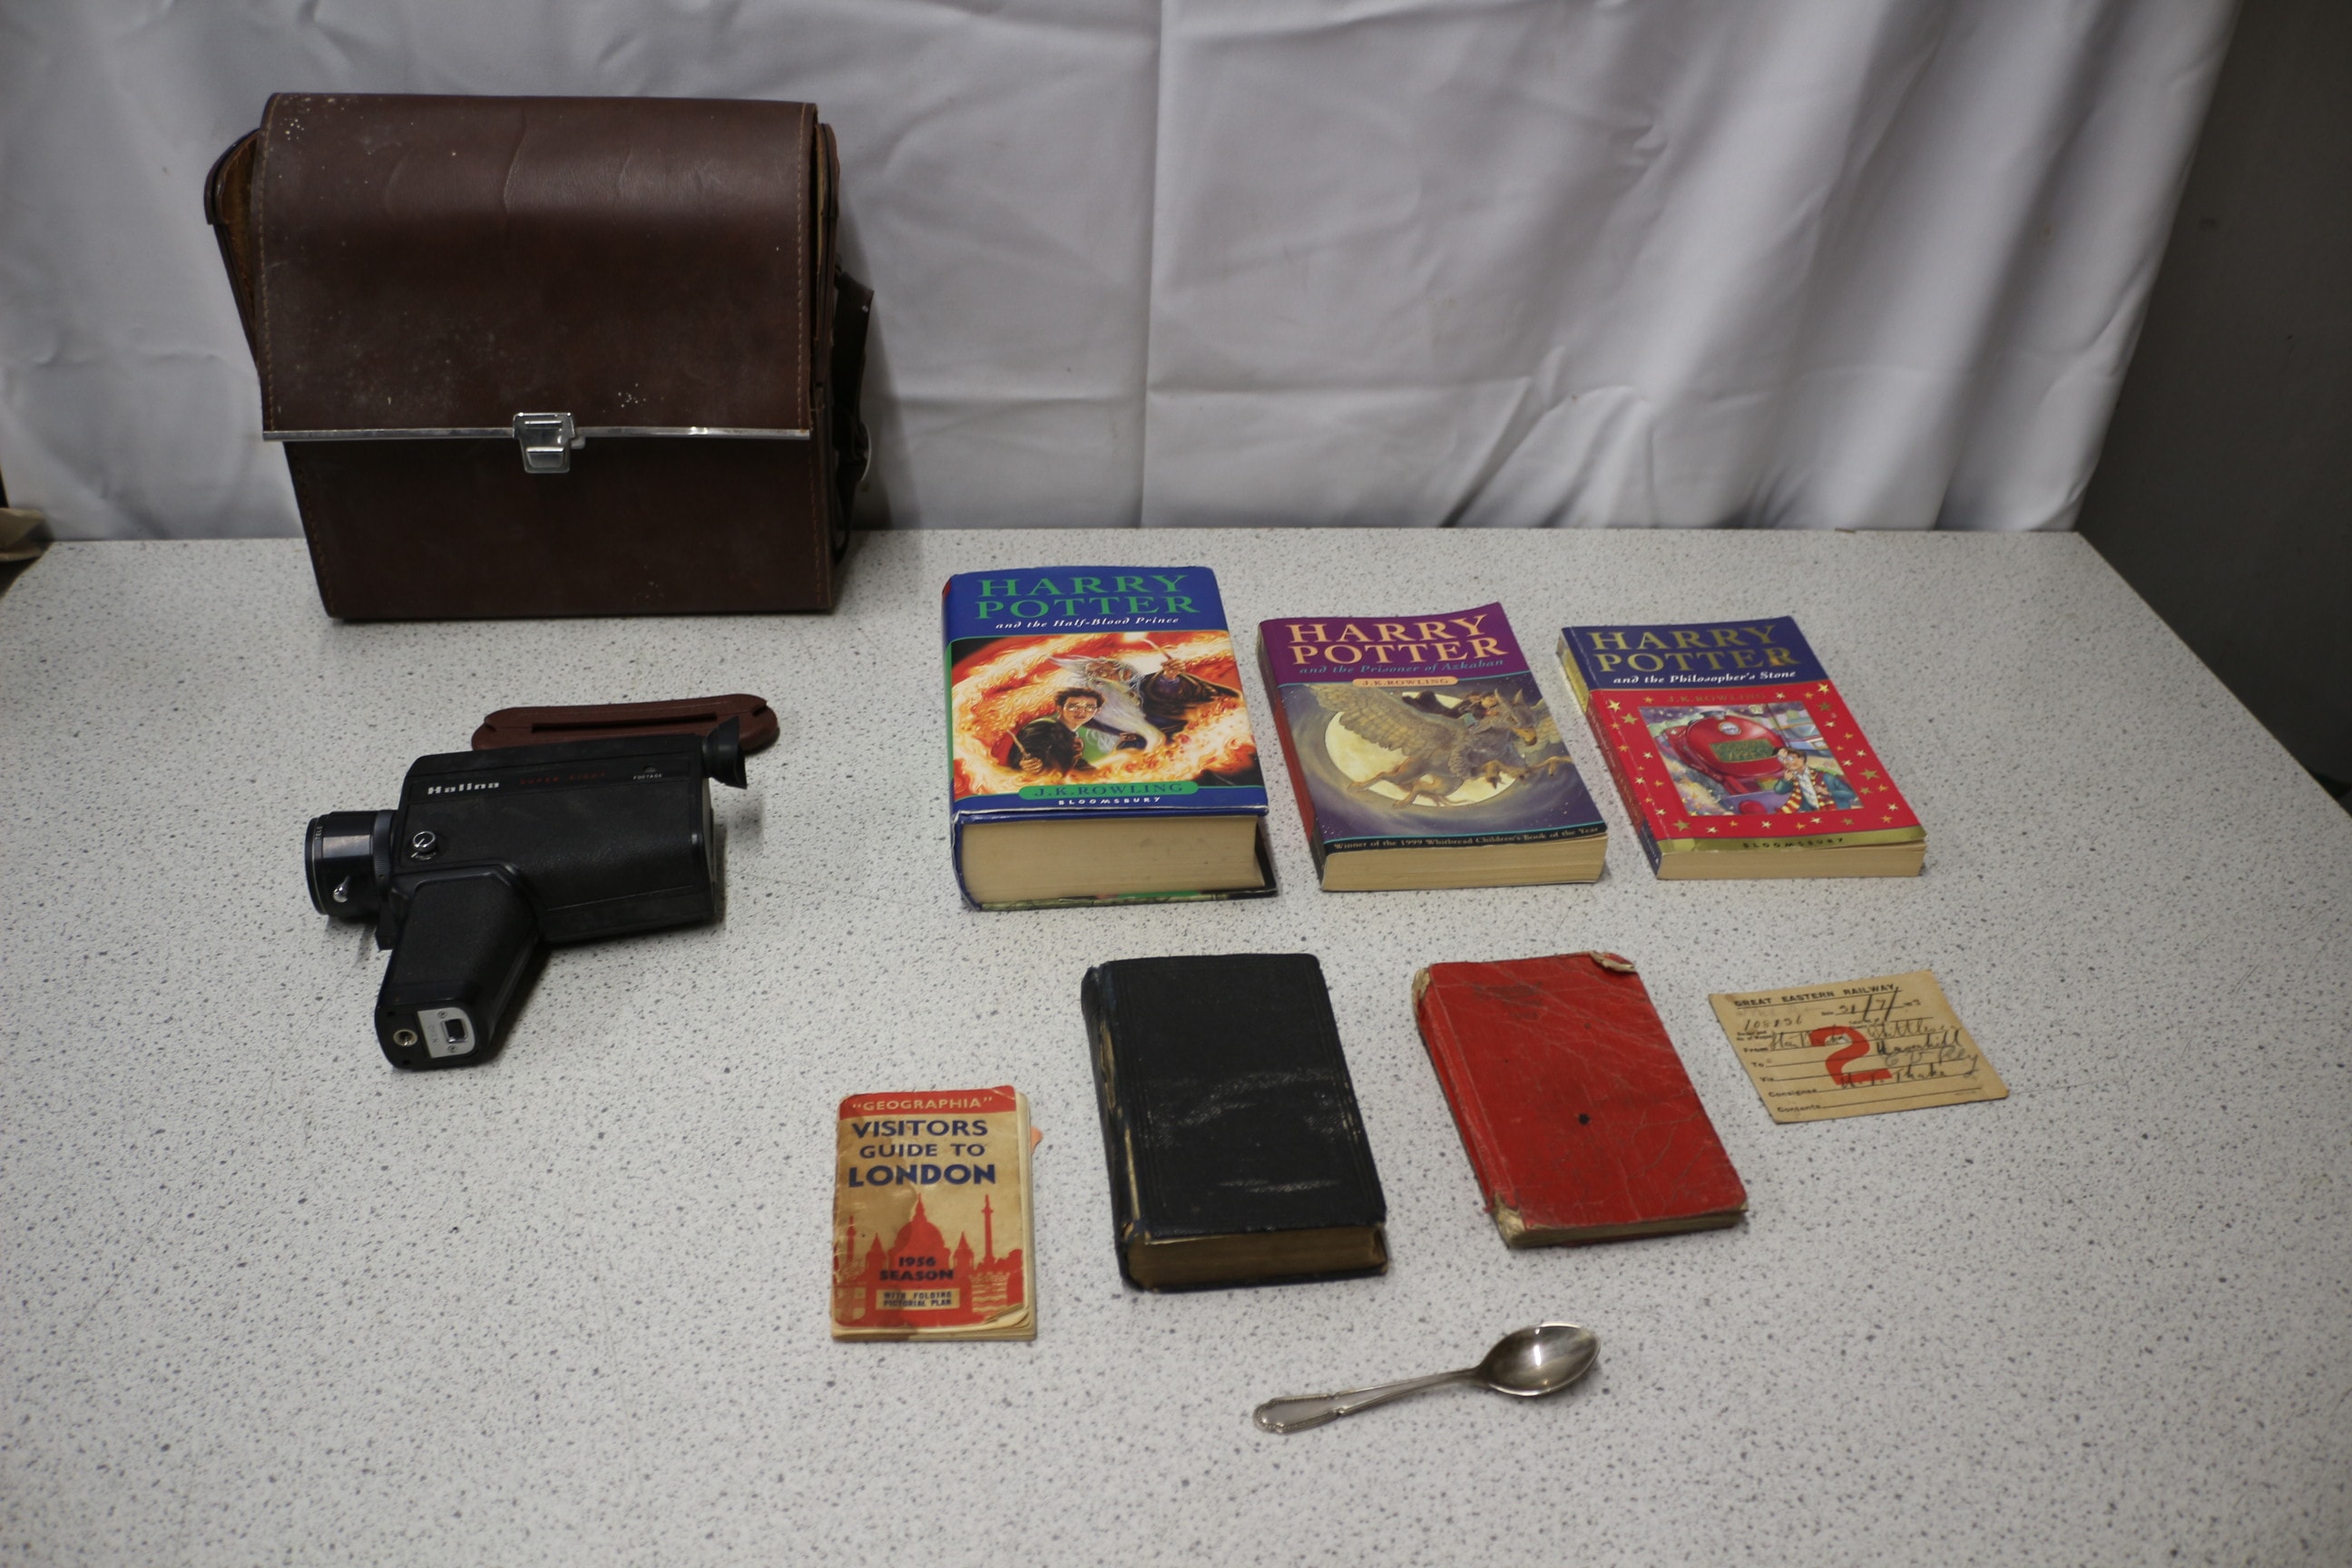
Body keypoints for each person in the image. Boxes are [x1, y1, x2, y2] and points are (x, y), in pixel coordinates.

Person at [1007, 690, 1143, 776]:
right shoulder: (1043, 727)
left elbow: (1080, 769)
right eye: (1073, 706)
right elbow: (1032, 753)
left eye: (1089, 707)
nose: (1081, 712)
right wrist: (1032, 765)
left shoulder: (1070, 735)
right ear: (1060, 709)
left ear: (1097, 712)